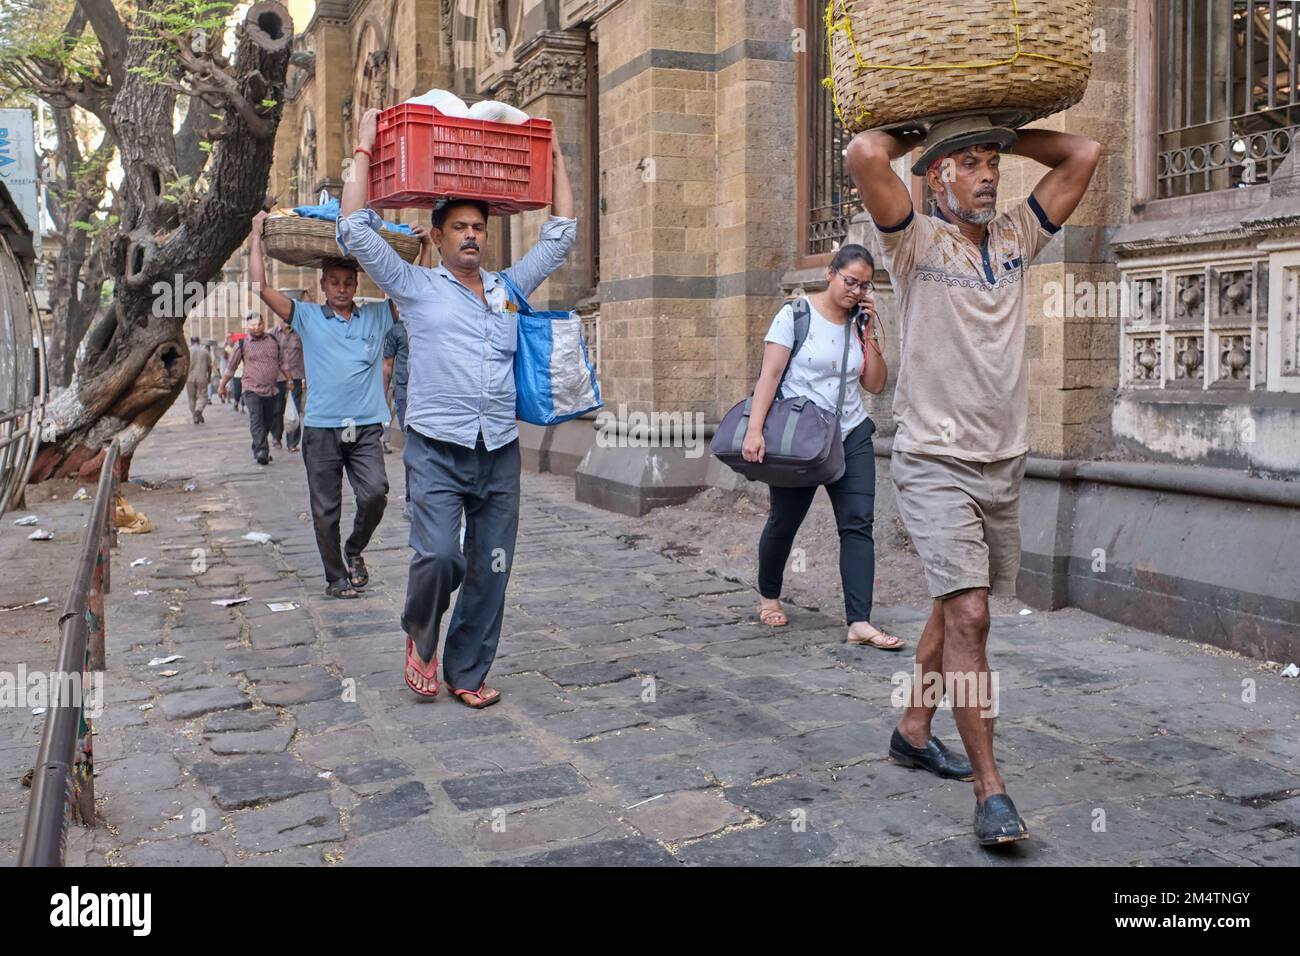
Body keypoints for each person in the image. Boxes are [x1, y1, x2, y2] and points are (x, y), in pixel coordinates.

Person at [847, 125, 1100, 847]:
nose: (987, 174)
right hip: (933, 460)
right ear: (935, 179)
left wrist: (1005, 128)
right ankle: (992, 792)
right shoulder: (914, 243)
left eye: (993, 164)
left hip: (1003, 460)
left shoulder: (1020, 233)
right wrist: (934, 131)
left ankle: (913, 726)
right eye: (969, 164)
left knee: (954, 605)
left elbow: (1083, 153)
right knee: (972, 616)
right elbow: (865, 153)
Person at [337, 106, 575, 706]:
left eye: (478, 227)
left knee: (491, 567)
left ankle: (467, 672)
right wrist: (365, 149)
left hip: (498, 450)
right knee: (440, 556)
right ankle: (421, 637)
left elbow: (562, 233)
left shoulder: (508, 289)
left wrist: (555, 158)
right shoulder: (415, 288)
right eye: (459, 227)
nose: (471, 235)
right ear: (438, 237)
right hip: (436, 449)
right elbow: (355, 230)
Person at [744, 244, 902, 652]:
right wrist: (755, 431)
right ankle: (768, 595)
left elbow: (875, 384)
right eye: (850, 281)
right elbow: (770, 374)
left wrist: (868, 335)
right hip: (801, 442)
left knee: (857, 524)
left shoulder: (858, 322)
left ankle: (859, 621)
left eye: (864, 285)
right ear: (830, 274)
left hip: (850, 434)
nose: (856, 290)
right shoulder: (795, 316)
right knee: (784, 520)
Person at [248, 211, 393, 601]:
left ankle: (354, 549)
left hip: (364, 427)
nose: (342, 289)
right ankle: (336, 577)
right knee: (325, 509)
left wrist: (425, 248)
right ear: (323, 285)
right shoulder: (307, 317)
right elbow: (260, 286)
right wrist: (255, 236)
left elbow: (414, 294)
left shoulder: (377, 315)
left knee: (375, 492)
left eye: (348, 282)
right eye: (334, 282)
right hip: (322, 429)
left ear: (356, 283)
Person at [218, 312, 290, 465]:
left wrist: (290, 379)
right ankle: (263, 451)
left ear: (264, 324)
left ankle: (257, 447)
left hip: (271, 390)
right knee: (256, 419)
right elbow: (231, 368)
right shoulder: (242, 344)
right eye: (252, 325)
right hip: (251, 389)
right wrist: (222, 385)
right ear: (247, 326)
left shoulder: (273, 341)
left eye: (259, 324)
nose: (256, 328)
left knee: (267, 422)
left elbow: (283, 363)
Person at [269, 313, 306, 453]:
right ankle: (276, 437)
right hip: (277, 377)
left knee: (294, 410)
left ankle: (292, 442)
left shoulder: (299, 334)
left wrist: (306, 377)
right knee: (278, 409)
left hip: (295, 376)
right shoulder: (272, 334)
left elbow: (305, 355)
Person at [186, 336, 212, 424]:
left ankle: (195, 416)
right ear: (198, 341)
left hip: (190, 377)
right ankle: (198, 410)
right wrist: (209, 377)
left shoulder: (187, 352)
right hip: (202, 377)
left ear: (191, 341)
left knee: (191, 398)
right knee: (203, 396)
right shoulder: (205, 351)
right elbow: (209, 366)